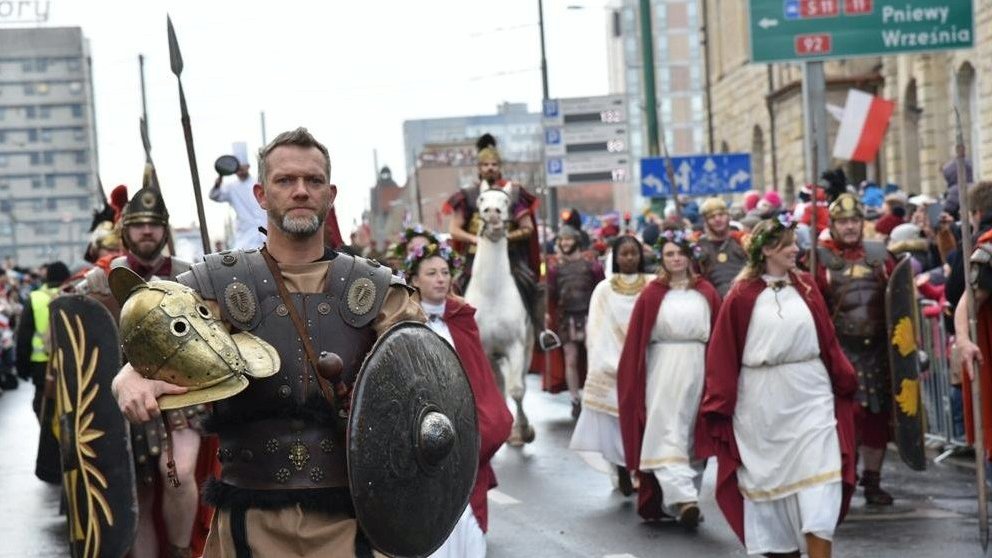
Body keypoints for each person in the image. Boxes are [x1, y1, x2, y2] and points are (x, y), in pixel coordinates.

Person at [113, 127, 425, 557]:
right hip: (247, 522)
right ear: (261, 193)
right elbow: (156, 342)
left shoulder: (379, 289)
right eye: (285, 181)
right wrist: (128, 380)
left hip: (354, 521)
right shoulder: (218, 283)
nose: (300, 191)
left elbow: (422, 380)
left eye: (313, 181)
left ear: (330, 193)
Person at [700, 215, 857, 557]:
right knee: (772, 493)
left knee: (821, 483)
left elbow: (827, 338)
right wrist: (718, 405)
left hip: (810, 392)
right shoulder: (741, 295)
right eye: (788, 244)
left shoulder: (806, 286)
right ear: (768, 249)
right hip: (762, 401)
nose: (796, 250)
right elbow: (723, 353)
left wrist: (844, 377)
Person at [84, 181, 214, 558]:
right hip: (127, 394)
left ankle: (179, 552)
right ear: (126, 230)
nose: (147, 231)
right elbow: (83, 331)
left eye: (154, 225)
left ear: (165, 230)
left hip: (181, 394)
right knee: (136, 492)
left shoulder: (191, 274)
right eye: (139, 224)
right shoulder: (102, 278)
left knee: (179, 473)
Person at [402, 238, 512, 558]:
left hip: (462, 428)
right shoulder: (401, 319)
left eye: (445, 272)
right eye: (431, 272)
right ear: (414, 280)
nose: (440, 278)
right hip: (422, 431)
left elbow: (480, 376)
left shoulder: (463, 317)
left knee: (466, 507)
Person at [616, 227, 720, 527]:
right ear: (662, 259)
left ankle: (683, 500)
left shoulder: (707, 292)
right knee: (665, 431)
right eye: (669, 254)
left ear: (690, 257)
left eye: (680, 253)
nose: (676, 259)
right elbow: (637, 341)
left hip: (699, 365)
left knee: (693, 433)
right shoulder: (652, 295)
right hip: (664, 367)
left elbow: (719, 335)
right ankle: (684, 498)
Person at [811, 193, 897, 506]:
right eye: (843, 221)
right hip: (841, 353)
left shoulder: (880, 255)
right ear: (832, 225)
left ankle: (872, 482)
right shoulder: (819, 261)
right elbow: (814, 309)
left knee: (877, 418)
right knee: (847, 420)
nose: (849, 227)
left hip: (877, 352)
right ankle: (843, 479)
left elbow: (899, 300)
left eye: (854, 221)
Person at [569, 235, 650, 495]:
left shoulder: (651, 285)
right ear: (615, 257)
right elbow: (597, 329)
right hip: (611, 362)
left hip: (644, 361)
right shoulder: (603, 289)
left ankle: (643, 469)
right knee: (615, 420)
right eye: (624, 254)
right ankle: (621, 467)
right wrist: (606, 360)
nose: (629, 258)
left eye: (633, 253)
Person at [443, 133, 541, 327]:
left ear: (499, 168)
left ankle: (539, 330)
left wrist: (506, 237)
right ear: (479, 168)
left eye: (494, 164)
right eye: (486, 165)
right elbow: (454, 229)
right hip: (475, 256)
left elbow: (527, 227)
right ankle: (453, 332)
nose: (490, 168)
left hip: (509, 256)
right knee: (454, 287)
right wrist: (476, 239)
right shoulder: (468, 195)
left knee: (530, 284)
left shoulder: (513, 194)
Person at [15, 260, 69, 483]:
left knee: (45, 409)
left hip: (42, 366)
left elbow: (24, 335)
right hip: (68, 364)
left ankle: (53, 449)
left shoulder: (35, 298)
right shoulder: (73, 294)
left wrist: (22, 367)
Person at [545, 225, 604, 415]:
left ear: (576, 240)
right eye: (562, 239)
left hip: (590, 316)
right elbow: (550, 295)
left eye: (568, 239)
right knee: (570, 359)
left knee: (594, 358)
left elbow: (601, 291)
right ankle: (575, 400)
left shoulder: (592, 266)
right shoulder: (555, 269)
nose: (565, 243)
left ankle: (593, 397)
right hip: (566, 317)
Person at [210, 142, 267, 250]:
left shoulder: (258, 183)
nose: (240, 171)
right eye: (238, 169)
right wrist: (217, 184)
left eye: (242, 168)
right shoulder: (231, 187)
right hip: (244, 237)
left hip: (265, 235)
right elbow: (214, 196)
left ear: (248, 166)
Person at [695, 197, 747, 298]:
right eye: (712, 216)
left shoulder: (742, 241)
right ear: (706, 221)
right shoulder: (698, 245)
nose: (717, 219)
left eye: (721, 215)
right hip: (712, 300)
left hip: (741, 296)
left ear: (728, 217)